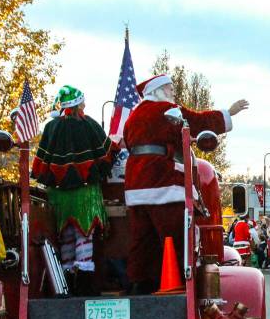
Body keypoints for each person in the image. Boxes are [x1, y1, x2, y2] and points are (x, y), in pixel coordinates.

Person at [123, 74, 247, 294]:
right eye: (169, 88)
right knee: (174, 236)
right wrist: (228, 113)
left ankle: (138, 285)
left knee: (141, 240)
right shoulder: (167, 110)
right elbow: (198, 122)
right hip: (163, 183)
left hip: (135, 186)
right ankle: (179, 282)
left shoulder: (133, 116)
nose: (173, 92)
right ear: (159, 90)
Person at [29, 85, 116, 295]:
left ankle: (67, 282)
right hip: (85, 194)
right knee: (84, 233)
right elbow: (107, 154)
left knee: (66, 235)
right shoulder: (89, 125)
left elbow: (41, 163)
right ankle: (84, 282)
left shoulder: (51, 128)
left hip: (58, 195)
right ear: (79, 104)